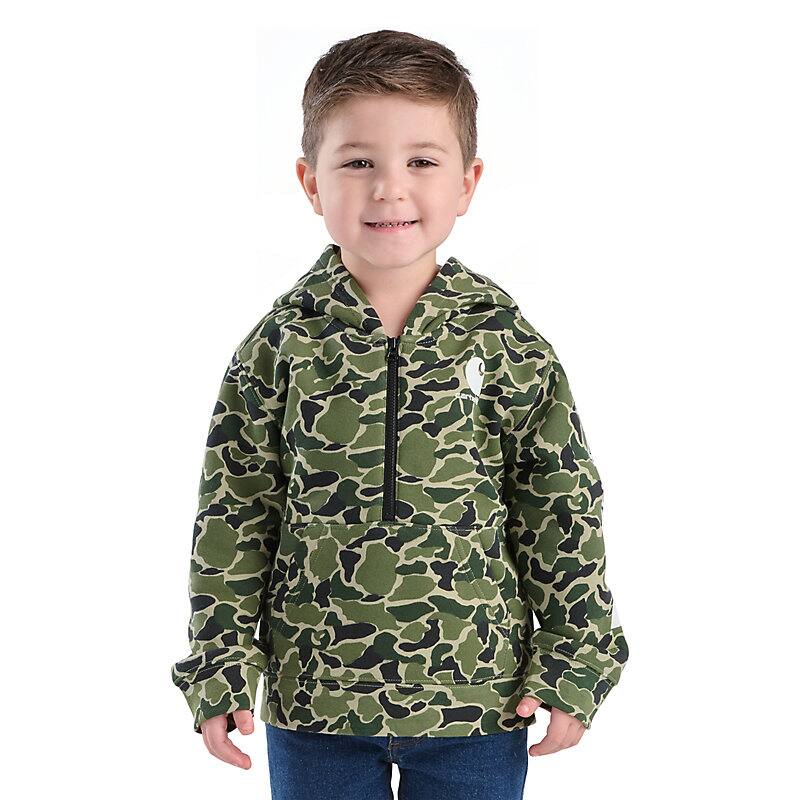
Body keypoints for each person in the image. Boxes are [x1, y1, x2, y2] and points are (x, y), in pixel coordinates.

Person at [170, 28, 630, 799]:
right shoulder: (279, 346)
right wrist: (219, 664)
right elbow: (234, 514)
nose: (389, 188)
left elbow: (560, 507)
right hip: (314, 703)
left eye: (421, 161)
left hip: (478, 702)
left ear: (467, 182)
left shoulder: (507, 344)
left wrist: (573, 663)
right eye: (359, 162)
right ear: (311, 182)